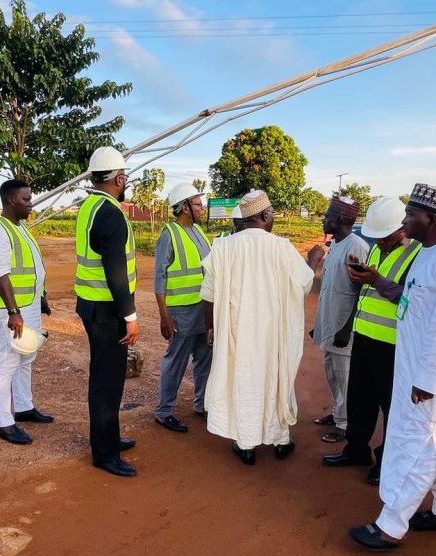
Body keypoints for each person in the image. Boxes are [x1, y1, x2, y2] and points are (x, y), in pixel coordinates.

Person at [350, 184, 436, 551]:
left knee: (418, 446)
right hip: (414, 369)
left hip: (432, 378)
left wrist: (427, 379)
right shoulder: (429, 251)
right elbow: (409, 299)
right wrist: (378, 282)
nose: (405, 220)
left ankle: (390, 525)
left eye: (412, 215)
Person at [200, 190, 316, 466]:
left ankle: (246, 444)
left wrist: (211, 328)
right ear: (264, 215)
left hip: (236, 334)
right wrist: (313, 262)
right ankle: (280, 440)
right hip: (273, 335)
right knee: (275, 380)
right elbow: (304, 284)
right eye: (272, 213)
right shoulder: (282, 247)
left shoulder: (223, 247)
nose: (273, 217)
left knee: (243, 381)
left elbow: (208, 295)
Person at [322, 197, 421, 486]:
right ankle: (356, 450)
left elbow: (413, 299)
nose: (378, 243)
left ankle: (386, 461)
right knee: (359, 400)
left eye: (384, 237)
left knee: (392, 407)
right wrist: (361, 279)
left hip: (393, 345)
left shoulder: (417, 254)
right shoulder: (379, 249)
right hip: (365, 338)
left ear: (401, 229)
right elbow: (366, 294)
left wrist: (376, 280)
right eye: (375, 237)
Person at [75, 146, 139, 477]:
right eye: (124, 176)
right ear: (117, 177)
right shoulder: (111, 213)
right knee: (107, 382)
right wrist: (130, 317)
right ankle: (104, 453)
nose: (124, 181)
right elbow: (115, 271)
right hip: (106, 311)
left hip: (92, 305)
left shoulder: (90, 206)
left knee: (105, 379)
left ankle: (108, 438)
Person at [0, 179, 53, 446]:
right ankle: (4, 423)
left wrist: (41, 297)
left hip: (29, 305)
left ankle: (23, 407)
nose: (30, 204)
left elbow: (33, 268)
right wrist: (14, 312)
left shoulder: (21, 228)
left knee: (26, 357)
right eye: (26, 199)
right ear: (11, 200)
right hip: (9, 311)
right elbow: (2, 276)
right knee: (6, 362)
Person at [153, 183, 212, 432]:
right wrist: (164, 316)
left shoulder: (199, 232)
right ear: (185, 207)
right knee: (176, 361)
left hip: (203, 310)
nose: (202, 208)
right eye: (198, 204)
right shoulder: (169, 234)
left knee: (205, 359)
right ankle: (164, 411)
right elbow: (159, 278)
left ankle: (202, 405)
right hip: (181, 312)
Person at [310, 197, 369, 443]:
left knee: (345, 377)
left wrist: (347, 328)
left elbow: (362, 293)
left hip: (344, 328)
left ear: (343, 220)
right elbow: (329, 288)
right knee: (332, 374)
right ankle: (338, 414)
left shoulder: (357, 247)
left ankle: (345, 424)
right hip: (330, 323)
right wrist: (320, 324)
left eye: (328, 216)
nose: (324, 219)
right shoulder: (336, 244)